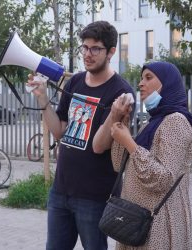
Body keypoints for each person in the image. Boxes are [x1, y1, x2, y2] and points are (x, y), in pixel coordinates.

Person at [26, 21, 135, 250]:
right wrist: (43, 98)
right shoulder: (74, 82)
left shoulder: (121, 93)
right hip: (60, 191)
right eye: (84, 47)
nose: (88, 54)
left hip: (95, 197)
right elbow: (59, 132)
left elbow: (101, 146)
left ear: (111, 52)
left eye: (95, 48)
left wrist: (114, 114)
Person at [110, 61, 192, 250]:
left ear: (167, 83)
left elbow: (162, 179)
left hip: (158, 223)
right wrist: (122, 126)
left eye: (148, 77)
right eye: (141, 78)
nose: (140, 84)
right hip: (135, 220)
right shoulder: (154, 122)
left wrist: (130, 143)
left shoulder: (176, 122)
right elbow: (119, 165)